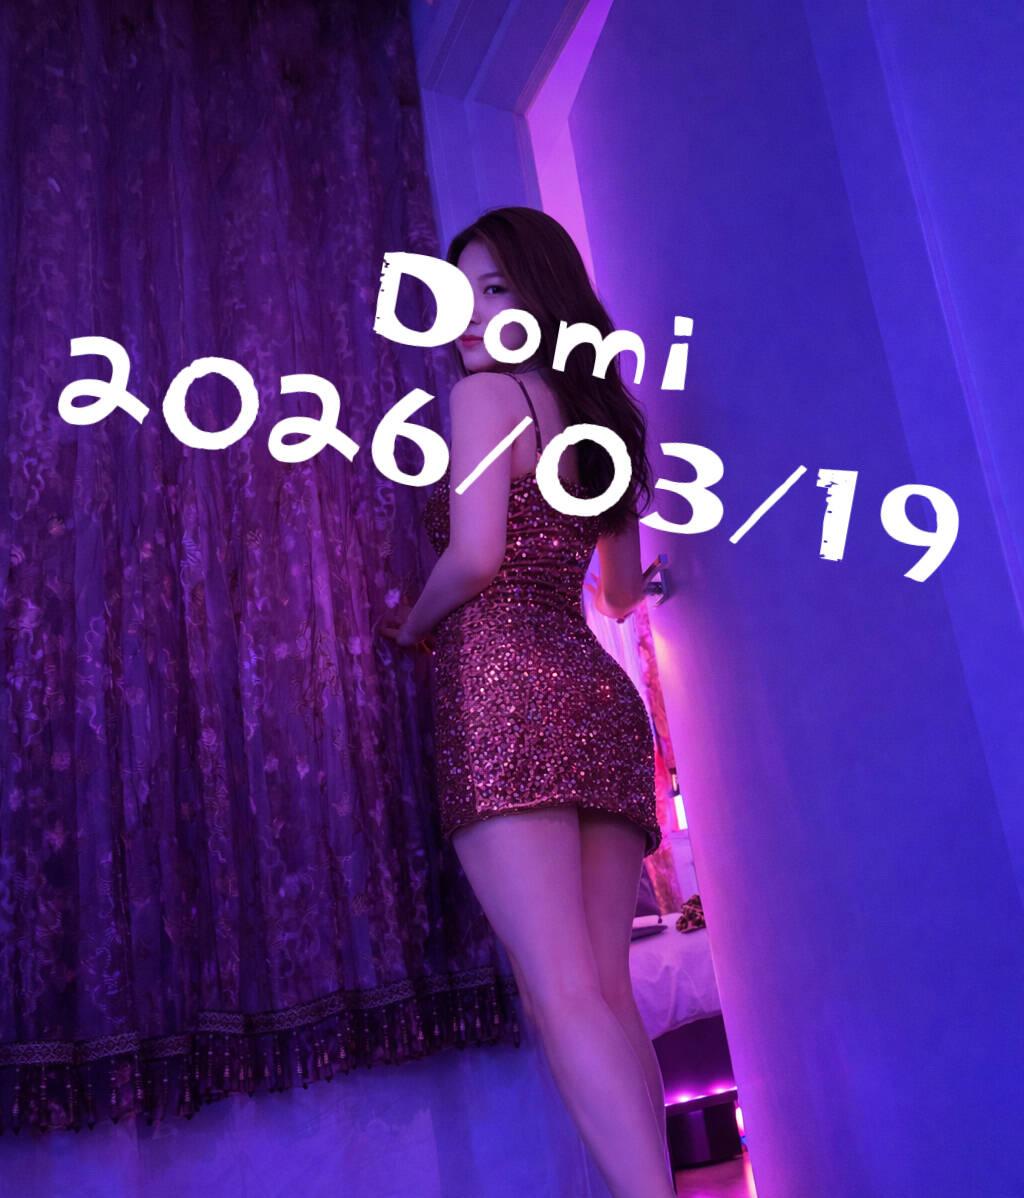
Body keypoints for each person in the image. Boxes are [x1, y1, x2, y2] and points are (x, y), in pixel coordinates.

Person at [378, 207, 675, 1198]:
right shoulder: (599, 419)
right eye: (458, 294)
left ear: (543, 297)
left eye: (495, 289)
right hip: (595, 694)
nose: (469, 314)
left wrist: (412, 625)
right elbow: (622, 592)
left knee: (561, 996)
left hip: (500, 685)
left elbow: (474, 557)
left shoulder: (483, 397)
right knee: (608, 997)